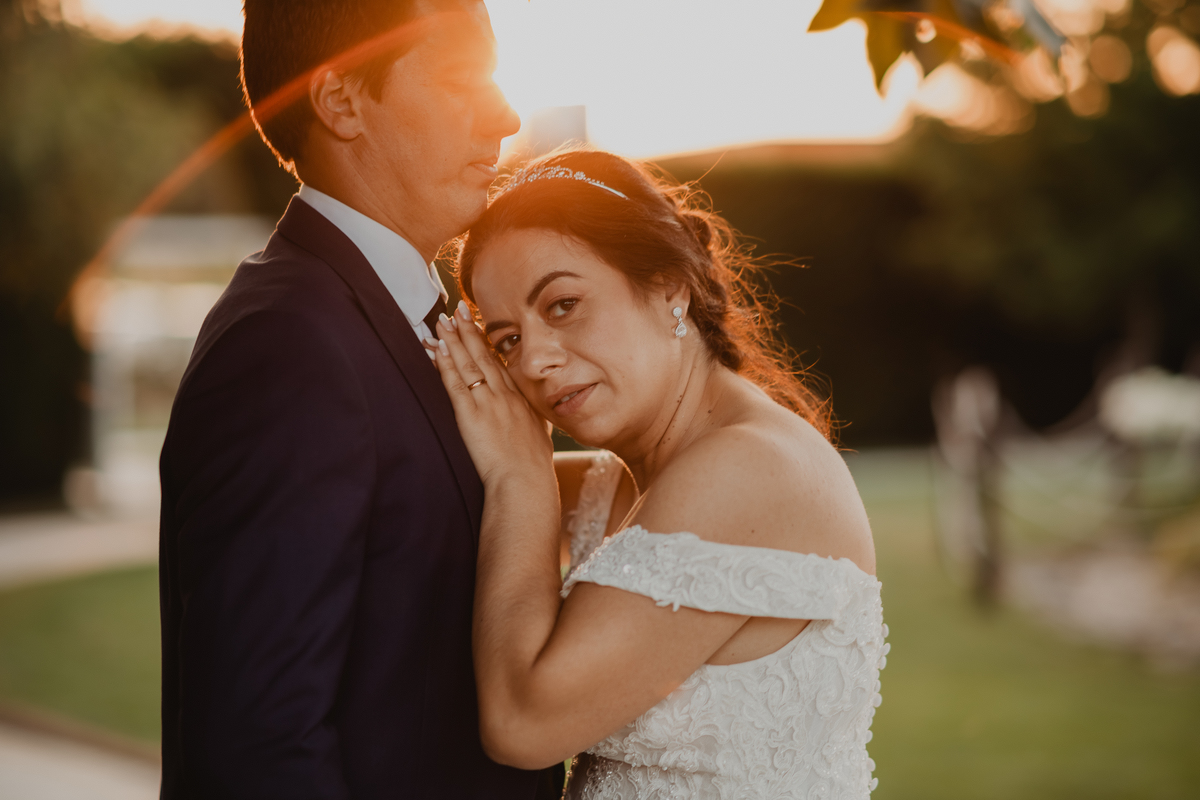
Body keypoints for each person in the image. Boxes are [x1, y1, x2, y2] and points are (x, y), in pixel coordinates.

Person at [157, 1, 562, 797]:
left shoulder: (404, 316)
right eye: (461, 80)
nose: (507, 117)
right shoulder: (286, 347)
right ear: (342, 101)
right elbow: (260, 748)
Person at [426, 148, 889, 799]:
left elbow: (522, 723)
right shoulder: (616, 487)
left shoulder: (747, 467)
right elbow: (430, 500)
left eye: (562, 305)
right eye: (507, 340)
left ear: (669, 285)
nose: (533, 362)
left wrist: (519, 477)